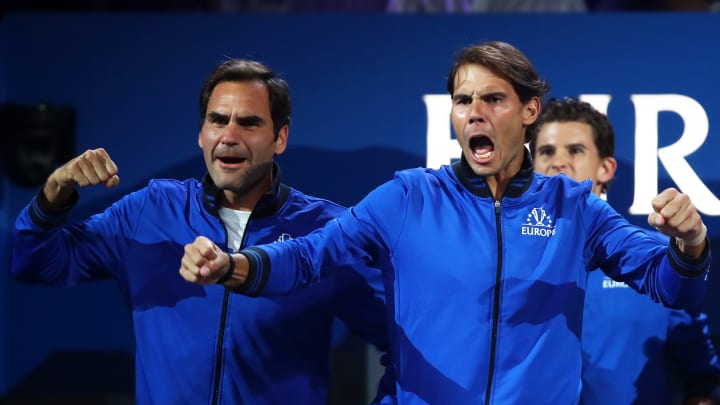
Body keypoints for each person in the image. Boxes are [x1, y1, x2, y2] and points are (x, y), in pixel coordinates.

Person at [180, 41, 711, 403]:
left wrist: (689, 241)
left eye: (493, 99)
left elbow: (669, 285)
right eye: (463, 100)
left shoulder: (574, 208)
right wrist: (235, 265)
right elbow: (310, 255)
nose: (474, 112)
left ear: (530, 111)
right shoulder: (408, 198)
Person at [11, 58, 391, 404]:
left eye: (249, 123)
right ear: (201, 134)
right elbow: (36, 264)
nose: (229, 135)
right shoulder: (150, 211)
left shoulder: (326, 230)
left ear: (280, 138)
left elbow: (404, 345)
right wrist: (55, 191)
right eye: (217, 120)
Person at [529, 97, 720, 404]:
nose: (558, 162)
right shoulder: (505, 256)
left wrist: (693, 240)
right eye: (546, 151)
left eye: (575, 150)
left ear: (605, 168)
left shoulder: (657, 258)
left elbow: (700, 383)